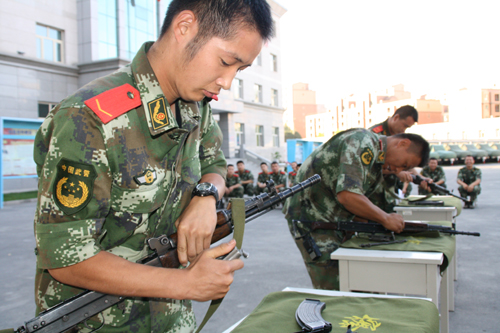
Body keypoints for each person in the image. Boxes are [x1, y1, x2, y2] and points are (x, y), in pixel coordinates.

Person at [32, 0, 274, 331]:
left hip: (172, 320)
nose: (228, 82)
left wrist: (206, 196)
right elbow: (65, 257)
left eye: (239, 70)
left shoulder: (195, 107)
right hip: (95, 323)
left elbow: (215, 163)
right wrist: (188, 285)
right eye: (226, 62)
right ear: (185, 26)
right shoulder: (87, 118)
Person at [283, 128, 430, 290]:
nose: (398, 170)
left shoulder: (377, 157)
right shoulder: (363, 142)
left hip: (333, 220)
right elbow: (348, 196)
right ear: (402, 143)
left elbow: (360, 198)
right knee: (335, 284)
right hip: (312, 218)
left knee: (354, 277)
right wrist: (385, 218)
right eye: (404, 164)